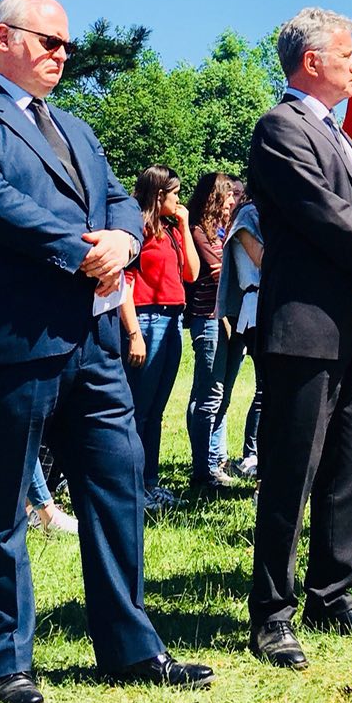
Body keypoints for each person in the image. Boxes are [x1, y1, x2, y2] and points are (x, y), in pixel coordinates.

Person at [0, 0, 212, 703]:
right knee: (0, 500)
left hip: (94, 338)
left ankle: (131, 647)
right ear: (1, 40)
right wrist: (80, 251)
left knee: (118, 486)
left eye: (67, 46)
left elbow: (116, 198)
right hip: (12, 339)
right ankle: (5, 661)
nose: (61, 56)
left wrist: (124, 238)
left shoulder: (77, 130)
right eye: (49, 42)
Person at [245, 7, 352, 671]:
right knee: (292, 471)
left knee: (348, 468)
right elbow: (323, 211)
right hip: (306, 326)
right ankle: (273, 615)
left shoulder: (341, 134)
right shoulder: (281, 128)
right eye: (346, 53)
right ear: (311, 61)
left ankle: (333, 596)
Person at [123, 165, 198, 509]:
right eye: (175, 193)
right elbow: (122, 282)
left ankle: (149, 482)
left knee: (155, 410)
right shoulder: (135, 227)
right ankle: (132, 486)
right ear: (158, 194)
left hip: (172, 319)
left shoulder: (170, 230)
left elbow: (192, 273)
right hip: (147, 320)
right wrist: (133, 333)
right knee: (139, 409)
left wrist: (183, 225)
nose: (180, 199)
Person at [183, 171, 238, 492]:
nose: (232, 200)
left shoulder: (220, 232)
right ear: (215, 197)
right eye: (228, 194)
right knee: (207, 396)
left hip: (225, 319)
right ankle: (201, 472)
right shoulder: (198, 231)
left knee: (218, 395)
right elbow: (219, 272)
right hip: (208, 319)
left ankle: (211, 465)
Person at [213, 197, 264, 479]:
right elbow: (264, 260)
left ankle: (256, 452)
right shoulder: (247, 216)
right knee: (264, 389)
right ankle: (252, 453)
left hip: (266, 307)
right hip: (255, 308)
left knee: (265, 389)